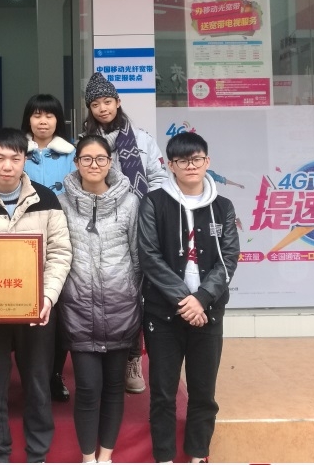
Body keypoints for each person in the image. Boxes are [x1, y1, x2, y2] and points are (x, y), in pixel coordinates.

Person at [0, 128, 72, 463]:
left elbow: (60, 253)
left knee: (37, 384)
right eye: (0, 158)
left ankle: (37, 453)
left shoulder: (47, 199)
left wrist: (47, 298)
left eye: (15, 158)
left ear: (25, 160)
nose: (7, 165)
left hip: (35, 309)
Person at [137, 131, 239, 464]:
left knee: (203, 394)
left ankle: (197, 455)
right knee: (163, 394)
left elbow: (228, 259)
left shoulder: (223, 207)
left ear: (207, 162)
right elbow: (149, 257)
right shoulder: (154, 202)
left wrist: (202, 299)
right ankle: (164, 458)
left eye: (196, 159)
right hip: (163, 314)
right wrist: (186, 301)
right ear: (170, 165)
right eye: (182, 160)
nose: (190, 166)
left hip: (208, 313)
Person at [82, 71, 167, 394]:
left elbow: (158, 177)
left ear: (118, 102)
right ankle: (102, 356)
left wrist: (145, 209)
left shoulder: (142, 140)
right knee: (106, 292)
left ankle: (132, 357)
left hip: (140, 222)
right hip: (101, 225)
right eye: (95, 104)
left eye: (107, 101)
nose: (102, 108)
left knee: (136, 291)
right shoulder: (86, 142)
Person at [58, 136, 141, 463]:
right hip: (77, 311)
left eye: (100, 158)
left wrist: (131, 295)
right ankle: (88, 457)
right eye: (87, 159)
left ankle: (105, 456)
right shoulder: (61, 203)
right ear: (76, 163)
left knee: (114, 388)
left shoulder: (130, 203)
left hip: (121, 310)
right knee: (88, 388)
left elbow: (137, 258)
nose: (94, 165)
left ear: (110, 162)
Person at [20, 93, 76, 403]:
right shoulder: (17, 152)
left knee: (60, 310)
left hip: (62, 240)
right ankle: (29, 375)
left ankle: (54, 373)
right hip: (22, 242)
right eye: (37, 115)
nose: (43, 121)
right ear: (28, 119)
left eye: (49, 115)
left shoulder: (73, 154)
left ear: (58, 120)